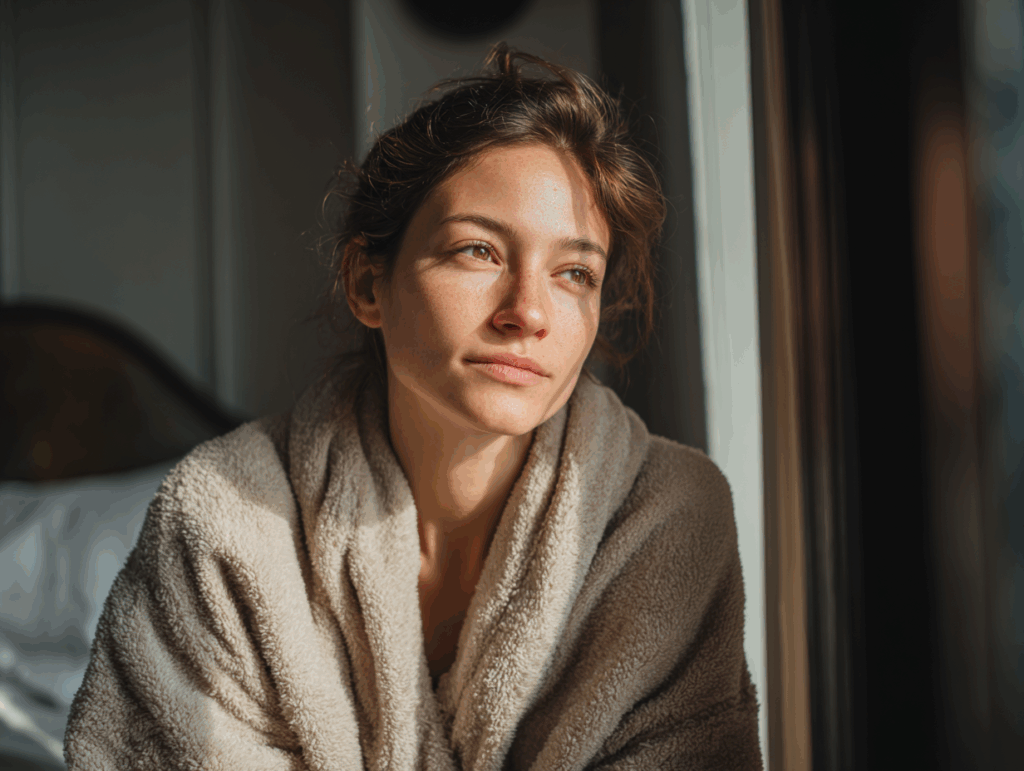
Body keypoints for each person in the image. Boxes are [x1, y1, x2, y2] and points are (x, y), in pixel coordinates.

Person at [64, 45, 762, 770]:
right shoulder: (224, 526)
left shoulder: (667, 521)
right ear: (368, 283)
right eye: (478, 251)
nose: (528, 311)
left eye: (574, 272)